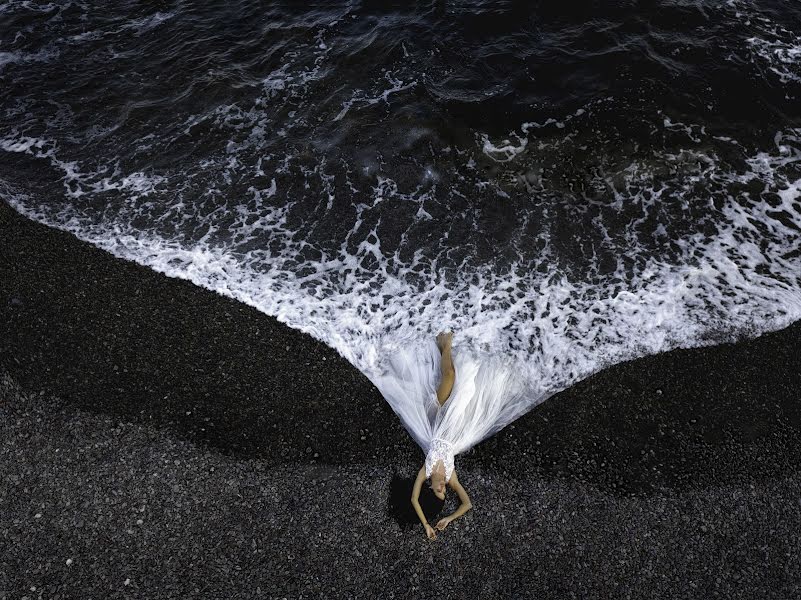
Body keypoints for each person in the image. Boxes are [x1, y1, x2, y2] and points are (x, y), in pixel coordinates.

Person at [410, 332, 472, 540]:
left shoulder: (425, 472)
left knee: (450, 376)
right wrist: (450, 518)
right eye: (445, 492)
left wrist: (426, 524)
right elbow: (467, 504)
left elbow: (414, 500)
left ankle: (444, 342)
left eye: (438, 491)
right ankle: (444, 348)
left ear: (430, 488)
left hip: (434, 418)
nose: (443, 488)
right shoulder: (451, 476)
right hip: (453, 421)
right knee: (465, 384)